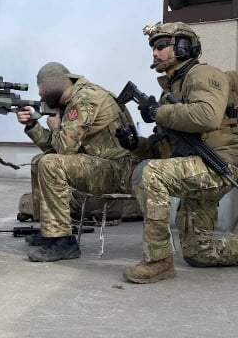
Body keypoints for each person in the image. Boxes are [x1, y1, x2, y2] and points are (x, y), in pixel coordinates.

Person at [116, 21, 238, 283]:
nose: (154, 53)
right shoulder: (170, 92)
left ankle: (159, 261)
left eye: (161, 46)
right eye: (153, 48)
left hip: (220, 165)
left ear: (184, 47)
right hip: (195, 165)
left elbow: (207, 116)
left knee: (149, 174)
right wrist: (134, 143)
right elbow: (163, 149)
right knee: (199, 254)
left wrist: (157, 112)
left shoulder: (203, 74)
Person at [16, 61, 141, 262]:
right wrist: (32, 125)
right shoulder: (72, 100)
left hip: (119, 169)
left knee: (50, 164)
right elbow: (54, 149)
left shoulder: (85, 99)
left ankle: (64, 243)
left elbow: (64, 150)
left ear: (55, 84)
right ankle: (51, 231)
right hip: (101, 164)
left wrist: (55, 127)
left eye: (41, 87)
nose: (39, 93)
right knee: (39, 161)